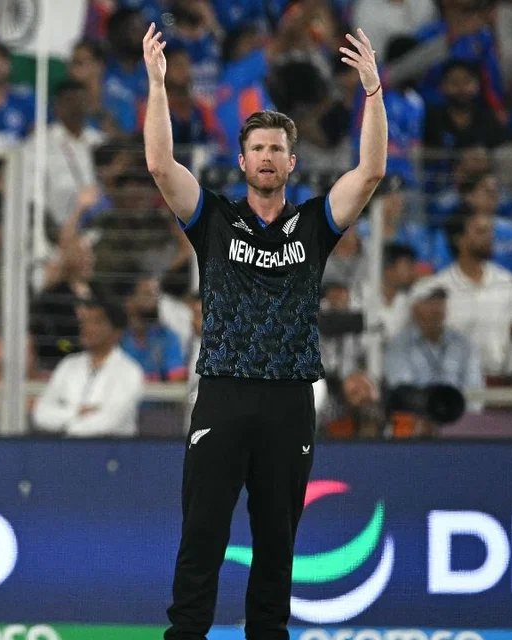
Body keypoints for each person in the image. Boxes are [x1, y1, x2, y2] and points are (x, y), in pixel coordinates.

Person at [141, 23, 388, 640]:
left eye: (279, 149)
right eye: (259, 150)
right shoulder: (215, 219)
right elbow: (158, 164)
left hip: (288, 400)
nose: (269, 158)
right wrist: (156, 85)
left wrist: (373, 92)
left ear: (291, 161)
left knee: (277, 542)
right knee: (203, 534)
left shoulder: (314, 224)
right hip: (223, 393)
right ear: (244, 160)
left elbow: (372, 171)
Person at [32, 297, 145, 437]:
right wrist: (76, 412)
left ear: (117, 333)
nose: (86, 327)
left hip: (111, 454)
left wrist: (67, 424)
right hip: (65, 452)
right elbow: (41, 414)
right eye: (85, 321)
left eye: (96, 322)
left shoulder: (129, 371)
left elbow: (109, 421)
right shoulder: (69, 365)